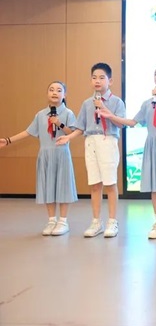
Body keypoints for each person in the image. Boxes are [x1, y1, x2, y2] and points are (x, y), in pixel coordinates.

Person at [100, 65, 156, 240]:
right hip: (152, 146)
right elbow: (132, 122)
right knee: (154, 185)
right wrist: (110, 116)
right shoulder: (147, 104)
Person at [56, 63, 126, 238]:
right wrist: (68, 137)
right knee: (95, 184)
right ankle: (96, 222)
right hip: (90, 142)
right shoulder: (87, 103)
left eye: (102, 77)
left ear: (110, 81)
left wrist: (103, 108)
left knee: (110, 183)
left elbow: (120, 124)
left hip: (107, 140)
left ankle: (112, 221)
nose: (97, 81)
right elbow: (80, 127)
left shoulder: (116, 102)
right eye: (94, 77)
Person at [0, 81, 78, 236]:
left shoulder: (68, 113)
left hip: (61, 155)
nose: (54, 92)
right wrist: (8, 141)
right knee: (48, 186)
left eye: (59, 90)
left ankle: (63, 221)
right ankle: (51, 220)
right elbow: (28, 132)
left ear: (65, 95)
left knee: (63, 186)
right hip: (45, 155)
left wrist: (59, 123)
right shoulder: (40, 115)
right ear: (47, 93)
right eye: (51, 89)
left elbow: (72, 133)